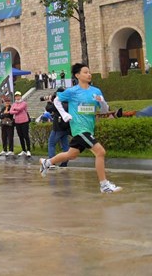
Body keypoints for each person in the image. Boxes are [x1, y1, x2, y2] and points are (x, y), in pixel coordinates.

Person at [41, 63, 122, 193]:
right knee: (100, 152)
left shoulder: (96, 91)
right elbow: (56, 100)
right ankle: (104, 185)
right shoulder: (72, 91)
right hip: (79, 129)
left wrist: (101, 101)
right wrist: (64, 114)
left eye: (89, 72)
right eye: (85, 72)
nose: (89, 74)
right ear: (77, 75)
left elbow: (104, 110)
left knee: (71, 154)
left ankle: (47, 162)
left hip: (89, 128)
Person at [45, 88, 70, 168]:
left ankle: (52, 162)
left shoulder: (58, 103)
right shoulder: (68, 103)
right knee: (65, 145)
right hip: (66, 127)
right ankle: (64, 163)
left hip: (58, 128)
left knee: (51, 144)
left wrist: (49, 101)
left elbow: (48, 109)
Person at [10, 91, 31, 157]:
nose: (17, 97)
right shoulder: (14, 104)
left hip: (24, 121)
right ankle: (23, 150)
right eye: (16, 96)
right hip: (17, 122)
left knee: (26, 136)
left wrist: (15, 109)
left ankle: (28, 150)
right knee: (20, 136)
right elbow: (10, 112)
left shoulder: (24, 103)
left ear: (20, 96)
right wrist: (16, 110)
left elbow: (20, 108)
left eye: (18, 95)